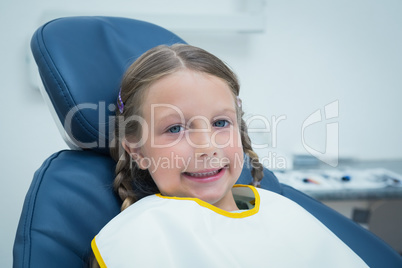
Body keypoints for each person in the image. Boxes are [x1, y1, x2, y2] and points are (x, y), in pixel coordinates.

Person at [91, 44, 368, 267]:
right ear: (137, 150)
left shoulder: (282, 209)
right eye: (175, 128)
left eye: (221, 123)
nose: (207, 147)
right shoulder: (141, 237)